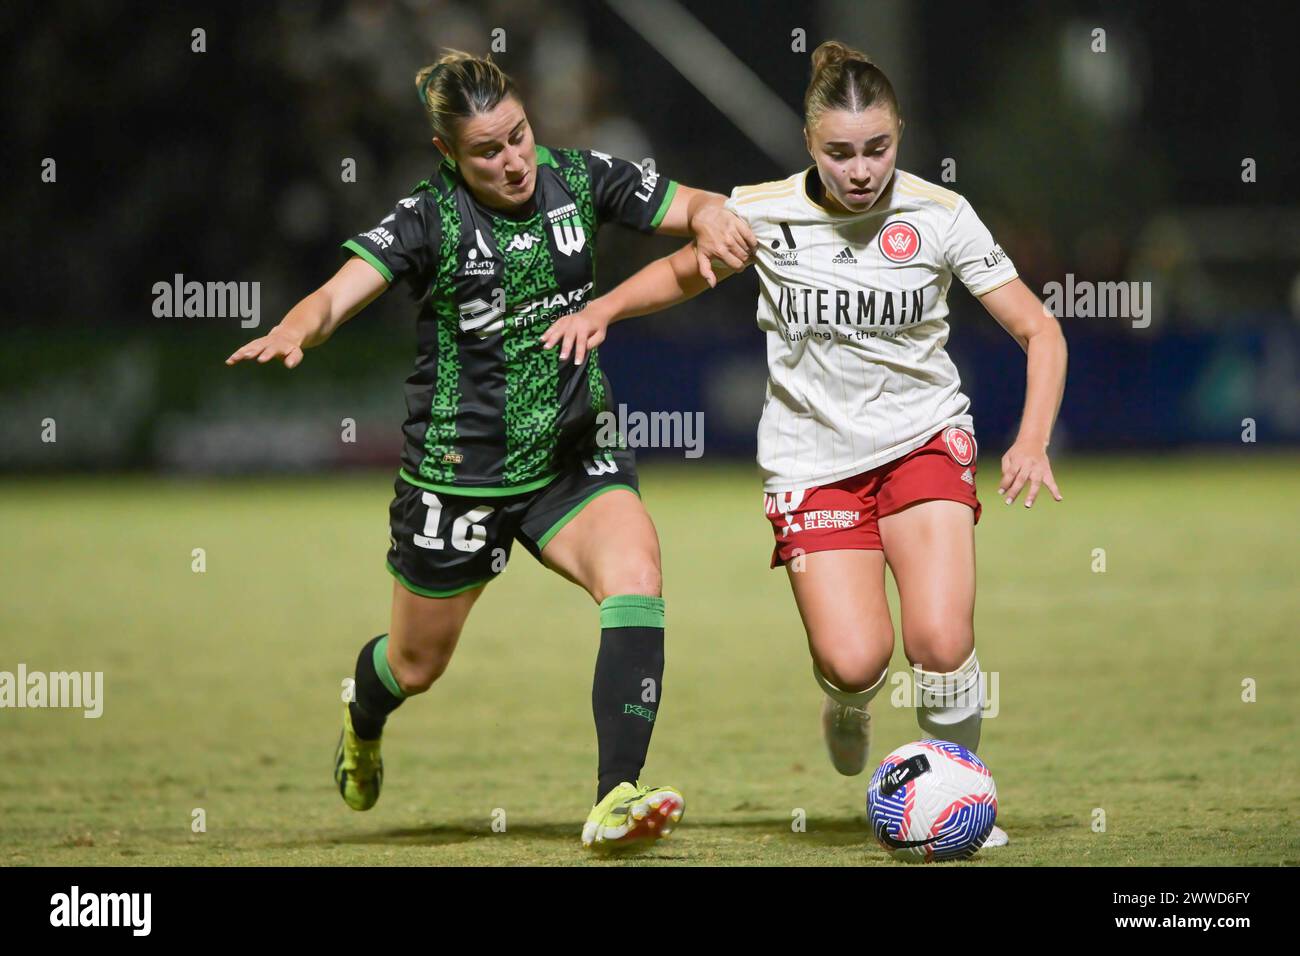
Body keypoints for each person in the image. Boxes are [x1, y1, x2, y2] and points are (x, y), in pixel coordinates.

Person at [542, 40, 1068, 849]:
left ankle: (961, 803)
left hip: (923, 440)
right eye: (840, 152)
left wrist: (1031, 441)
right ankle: (848, 704)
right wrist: (605, 309)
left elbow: (1040, 329)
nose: (862, 170)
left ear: (900, 136)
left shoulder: (940, 215)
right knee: (857, 660)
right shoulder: (761, 212)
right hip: (812, 463)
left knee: (941, 641)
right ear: (808, 144)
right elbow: (686, 272)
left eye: (878, 149)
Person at [226, 50, 756, 852]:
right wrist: (298, 326)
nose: (511, 161)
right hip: (461, 476)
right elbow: (341, 290)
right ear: (448, 154)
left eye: (518, 137)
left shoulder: (580, 176)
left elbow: (693, 206)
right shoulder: (425, 218)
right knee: (415, 664)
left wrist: (713, 213)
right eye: (486, 151)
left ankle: (617, 794)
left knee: (636, 575)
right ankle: (363, 717)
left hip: (575, 450)